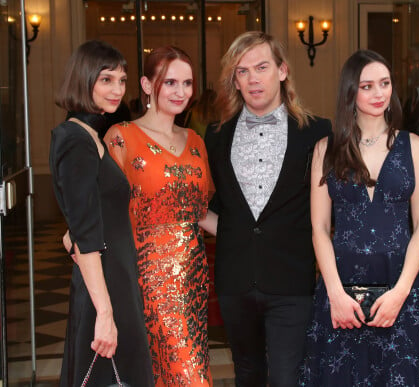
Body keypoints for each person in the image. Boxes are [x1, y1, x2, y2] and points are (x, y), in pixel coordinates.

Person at [299, 49, 419, 386]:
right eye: (367, 86)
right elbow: (319, 228)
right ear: (350, 91)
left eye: (385, 83)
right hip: (341, 291)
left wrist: (400, 292)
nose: (379, 93)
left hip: (402, 288)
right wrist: (334, 293)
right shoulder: (326, 148)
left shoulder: (414, 146)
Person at [204, 31, 331, 387]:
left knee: (287, 378)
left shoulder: (318, 132)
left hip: (292, 281)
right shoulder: (215, 136)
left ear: (282, 70)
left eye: (262, 67)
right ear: (235, 80)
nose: (253, 78)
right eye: (242, 71)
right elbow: (210, 208)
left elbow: (331, 210)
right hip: (234, 281)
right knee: (247, 374)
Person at [104, 46, 216, 386]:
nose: (180, 92)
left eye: (187, 83)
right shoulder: (121, 137)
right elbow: (102, 215)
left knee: (189, 368)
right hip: (142, 279)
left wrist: (258, 236)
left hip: (194, 281)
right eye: (169, 82)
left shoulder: (195, 141)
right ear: (147, 85)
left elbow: (198, 214)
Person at [49, 40, 154, 387]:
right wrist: (105, 314)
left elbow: (83, 221)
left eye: (122, 80)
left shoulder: (90, 136)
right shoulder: (74, 139)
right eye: (106, 79)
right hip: (104, 290)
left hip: (115, 281)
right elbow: (87, 236)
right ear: (84, 79)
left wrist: (72, 236)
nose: (117, 89)